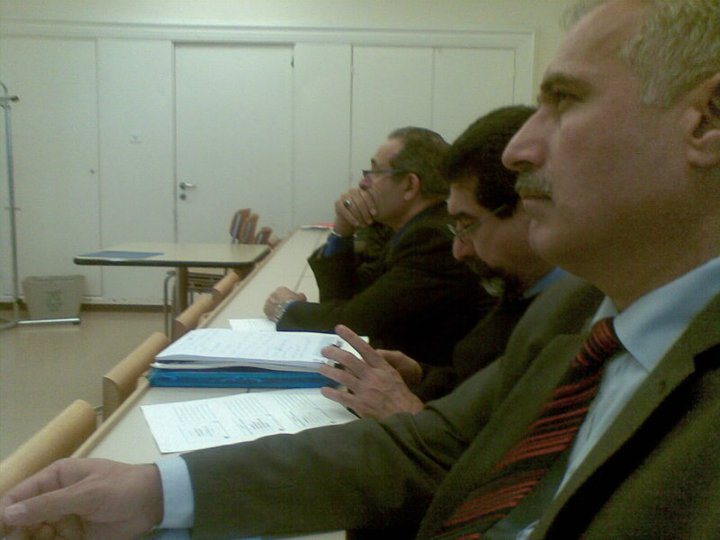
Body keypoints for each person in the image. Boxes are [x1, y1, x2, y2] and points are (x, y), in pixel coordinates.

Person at [3, 0, 720, 538]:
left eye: (565, 101)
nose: (517, 151)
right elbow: (425, 449)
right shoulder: (583, 311)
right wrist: (155, 491)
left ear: (707, 120)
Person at [319, 106, 568, 419]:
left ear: (532, 210)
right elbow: (478, 385)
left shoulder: (573, 318)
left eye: (468, 224)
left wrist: (404, 411)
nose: (458, 251)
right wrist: (421, 377)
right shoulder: (523, 290)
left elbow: (500, 441)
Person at [263, 127, 491, 366]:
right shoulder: (410, 230)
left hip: (434, 381)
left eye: (374, 172)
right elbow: (348, 299)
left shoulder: (432, 240)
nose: (363, 183)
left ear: (409, 185)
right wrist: (342, 231)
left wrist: (286, 309)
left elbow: (354, 323)